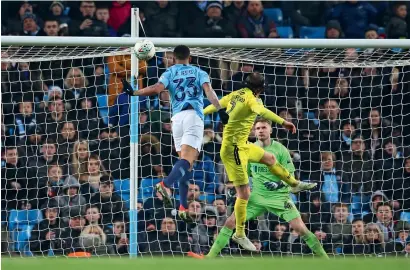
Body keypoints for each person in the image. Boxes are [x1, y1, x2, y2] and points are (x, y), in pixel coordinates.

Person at [201, 72, 316, 250]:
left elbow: (215, 105)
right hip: (234, 150)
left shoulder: (236, 94)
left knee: (270, 158)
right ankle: (239, 234)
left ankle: (293, 184)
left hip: (243, 145)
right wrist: (283, 121)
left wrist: (200, 113)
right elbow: (261, 111)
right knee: (244, 194)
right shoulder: (251, 100)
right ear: (261, 88)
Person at [189, 118, 326, 257]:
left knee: (301, 229)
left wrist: (277, 184)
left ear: (270, 130)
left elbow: (291, 178)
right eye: (258, 128)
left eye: (264, 127)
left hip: (278, 197)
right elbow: (245, 175)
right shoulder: (250, 150)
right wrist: (235, 188)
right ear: (254, 131)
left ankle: (326, 260)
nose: (260, 130)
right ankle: (208, 258)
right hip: (257, 196)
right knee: (230, 222)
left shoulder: (280, 150)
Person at [122, 45, 226, 222]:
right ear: (190, 57)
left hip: (176, 119)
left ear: (173, 58)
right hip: (193, 116)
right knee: (187, 161)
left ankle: (183, 206)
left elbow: (156, 89)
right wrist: (221, 111)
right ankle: (165, 184)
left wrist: (134, 92)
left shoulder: (169, 72)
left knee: (185, 165)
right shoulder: (199, 71)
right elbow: (209, 91)